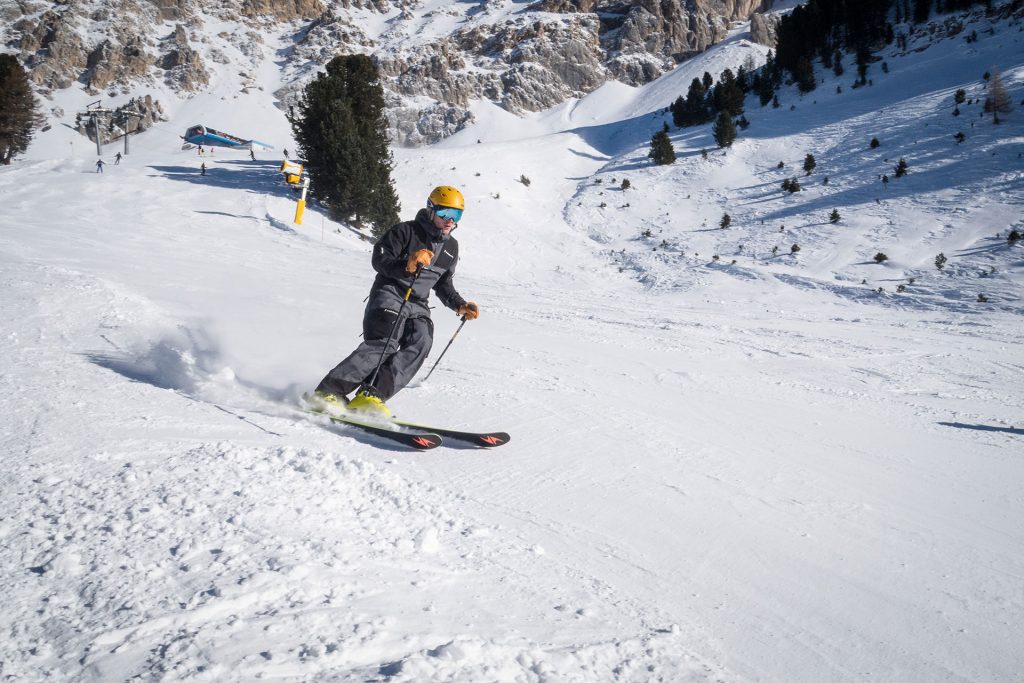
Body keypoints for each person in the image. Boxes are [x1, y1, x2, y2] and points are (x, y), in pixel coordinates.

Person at [310, 185, 479, 416]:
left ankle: (372, 395)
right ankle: (328, 391)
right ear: (431, 210)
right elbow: (380, 260)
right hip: (390, 292)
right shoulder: (406, 231)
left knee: (421, 342)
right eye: (444, 214)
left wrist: (459, 304)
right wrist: (407, 265)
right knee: (386, 342)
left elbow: (443, 283)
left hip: (418, 303)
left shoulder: (451, 247)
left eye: (456, 215)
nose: (450, 220)